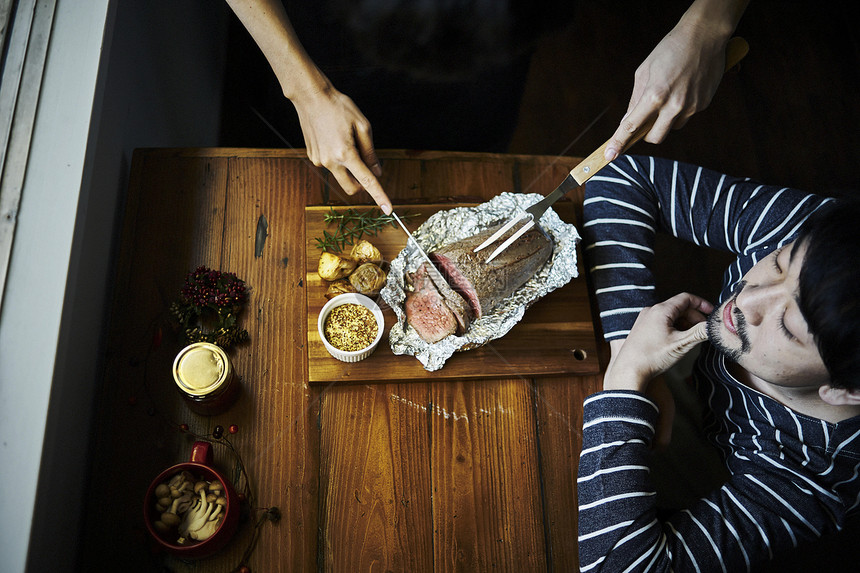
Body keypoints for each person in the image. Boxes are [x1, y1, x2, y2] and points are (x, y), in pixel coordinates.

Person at [577, 154, 860, 571]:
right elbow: (622, 175)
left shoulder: (818, 474)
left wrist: (626, 383)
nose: (745, 299)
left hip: (709, 476)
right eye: (779, 264)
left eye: (786, 326)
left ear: (846, 391)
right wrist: (626, 344)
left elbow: (620, 566)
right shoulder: (821, 237)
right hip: (672, 376)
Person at [224, 0, 749, 215]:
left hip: (484, 77)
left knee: (471, 138)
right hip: (316, 41)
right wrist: (306, 91)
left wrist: (708, 24)